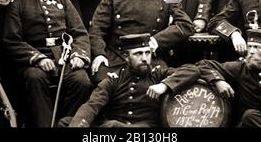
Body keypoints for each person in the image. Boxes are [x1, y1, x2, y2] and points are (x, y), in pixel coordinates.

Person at [3, 0, 93, 127]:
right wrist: (37, 58)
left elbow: (79, 32)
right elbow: (12, 40)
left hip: (64, 57)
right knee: (35, 78)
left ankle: (64, 123)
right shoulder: (17, 3)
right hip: (34, 59)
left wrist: (79, 55)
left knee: (81, 81)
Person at [59, 33, 200, 127]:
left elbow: (193, 70)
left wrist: (164, 85)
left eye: (147, 53)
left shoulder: (159, 75)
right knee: (66, 123)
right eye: (138, 54)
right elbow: (92, 105)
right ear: (126, 57)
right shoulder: (114, 79)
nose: (144, 58)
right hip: (115, 130)